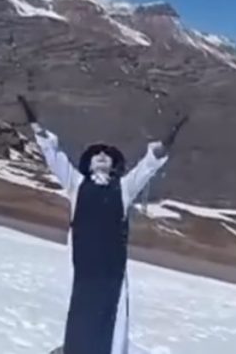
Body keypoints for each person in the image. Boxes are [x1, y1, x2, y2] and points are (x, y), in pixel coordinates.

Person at [24, 97, 172, 354]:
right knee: (81, 311)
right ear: (88, 163)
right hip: (84, 263)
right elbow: (55, 158)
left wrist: (156, 153)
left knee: (113, 316)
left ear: (115, 164)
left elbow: (144, 170)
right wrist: (41, 133)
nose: (101, 157)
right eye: (96, 155)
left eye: (106, 155)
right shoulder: (76, 184)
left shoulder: (123, 188)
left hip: (112, 267)